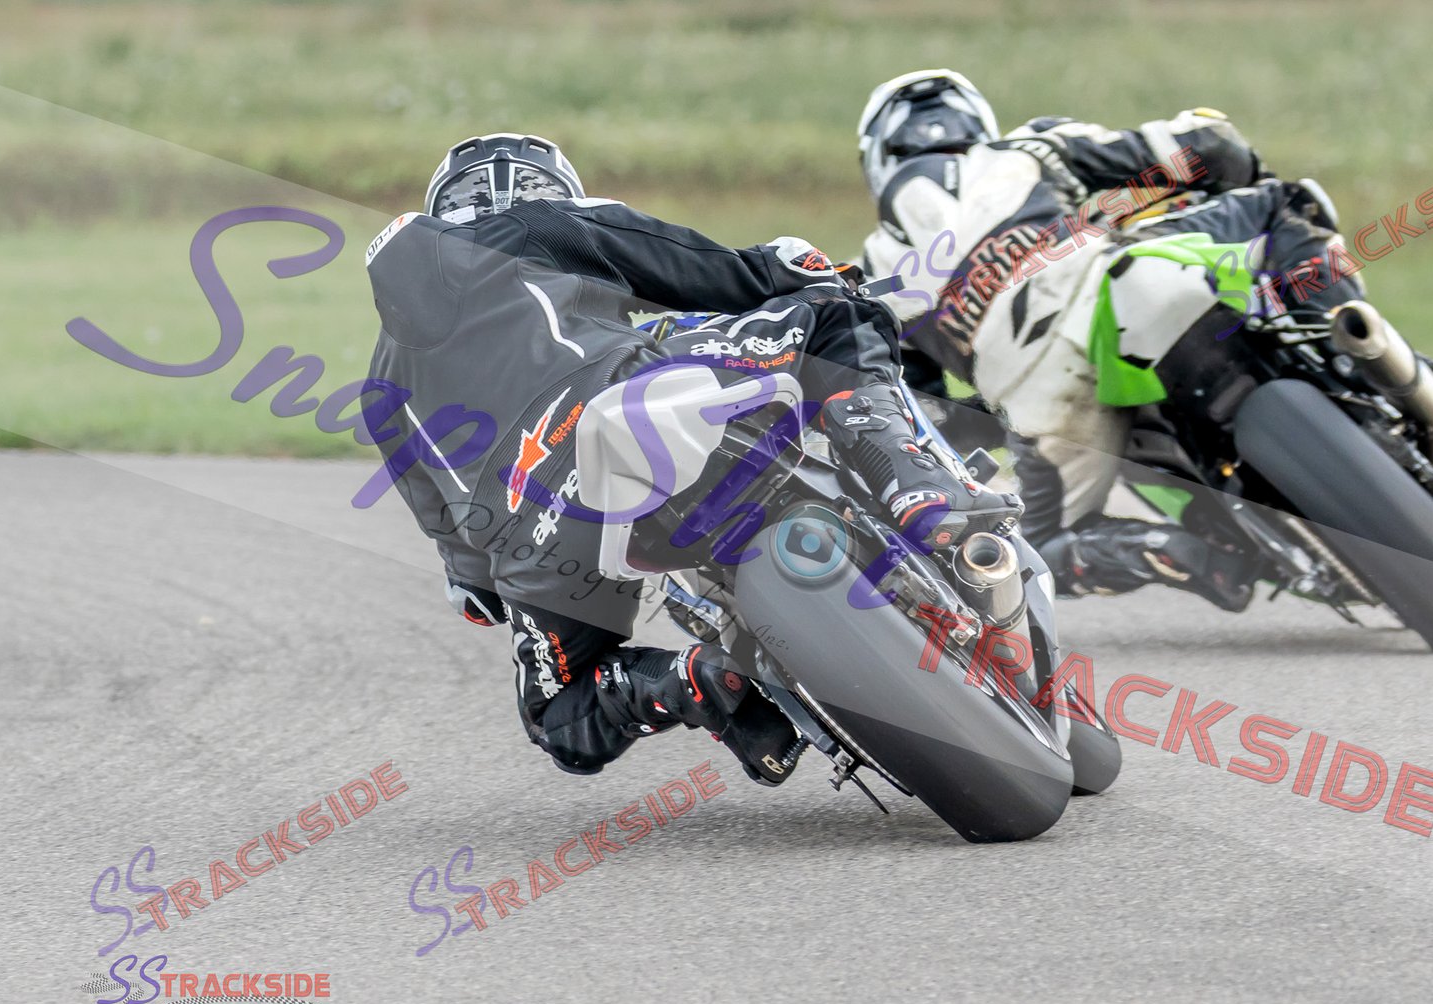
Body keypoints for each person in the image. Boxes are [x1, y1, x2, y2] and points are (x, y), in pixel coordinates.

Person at [363, 132, 1016, 783]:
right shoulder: (545, 222)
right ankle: (916, 487)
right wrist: (804, 271)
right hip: (621, 402)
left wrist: (493, 589)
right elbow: (718, 274)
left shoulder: (381, 385)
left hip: (536, 534)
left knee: (561, 716)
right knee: (838, 313)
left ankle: (691, 683)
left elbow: (467, 567)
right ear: (549, 190)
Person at [855, 69, 1391, 611]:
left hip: (1038, 402)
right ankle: (1359, 363)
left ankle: (1164, 548)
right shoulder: (1026, 147)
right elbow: (1205, 145)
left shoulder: (873, 282)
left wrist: (993, 410)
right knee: (1284, 203)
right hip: (1115, 288)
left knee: (1038, 551)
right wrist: (1235, 168)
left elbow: (923, 418)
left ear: (876, 158)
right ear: (975, 121)